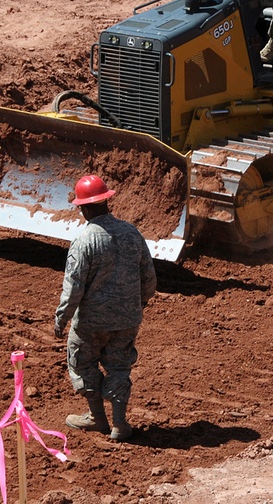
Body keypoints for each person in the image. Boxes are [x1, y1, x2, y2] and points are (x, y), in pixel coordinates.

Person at [54, 174, 157, 442]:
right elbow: (149, 277)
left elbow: (74, 288)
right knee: (120, 366)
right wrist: (138, 306)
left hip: (92, 323)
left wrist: (61, 319)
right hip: (127, 319)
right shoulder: (132, 233)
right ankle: (120, 424)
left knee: (82, 361)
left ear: (83, 208)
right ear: (107, 201)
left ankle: (96, 417)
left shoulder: (84, 240)